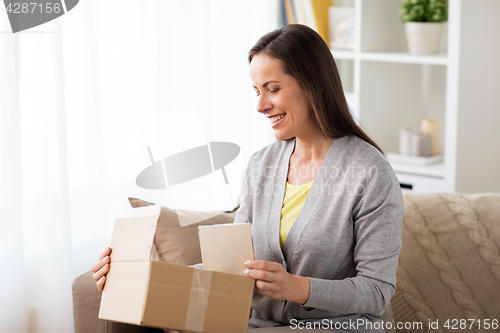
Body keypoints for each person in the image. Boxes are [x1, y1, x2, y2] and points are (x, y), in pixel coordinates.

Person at [92, 24, 404, 333]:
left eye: (273, 88)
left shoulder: (370, 172)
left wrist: (297, 287)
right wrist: (137, 277)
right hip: (258, 324)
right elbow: (232, 269)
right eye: (257, 91)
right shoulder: (261, 165)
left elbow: (376, 291)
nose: (260, 105)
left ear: (313, 84)